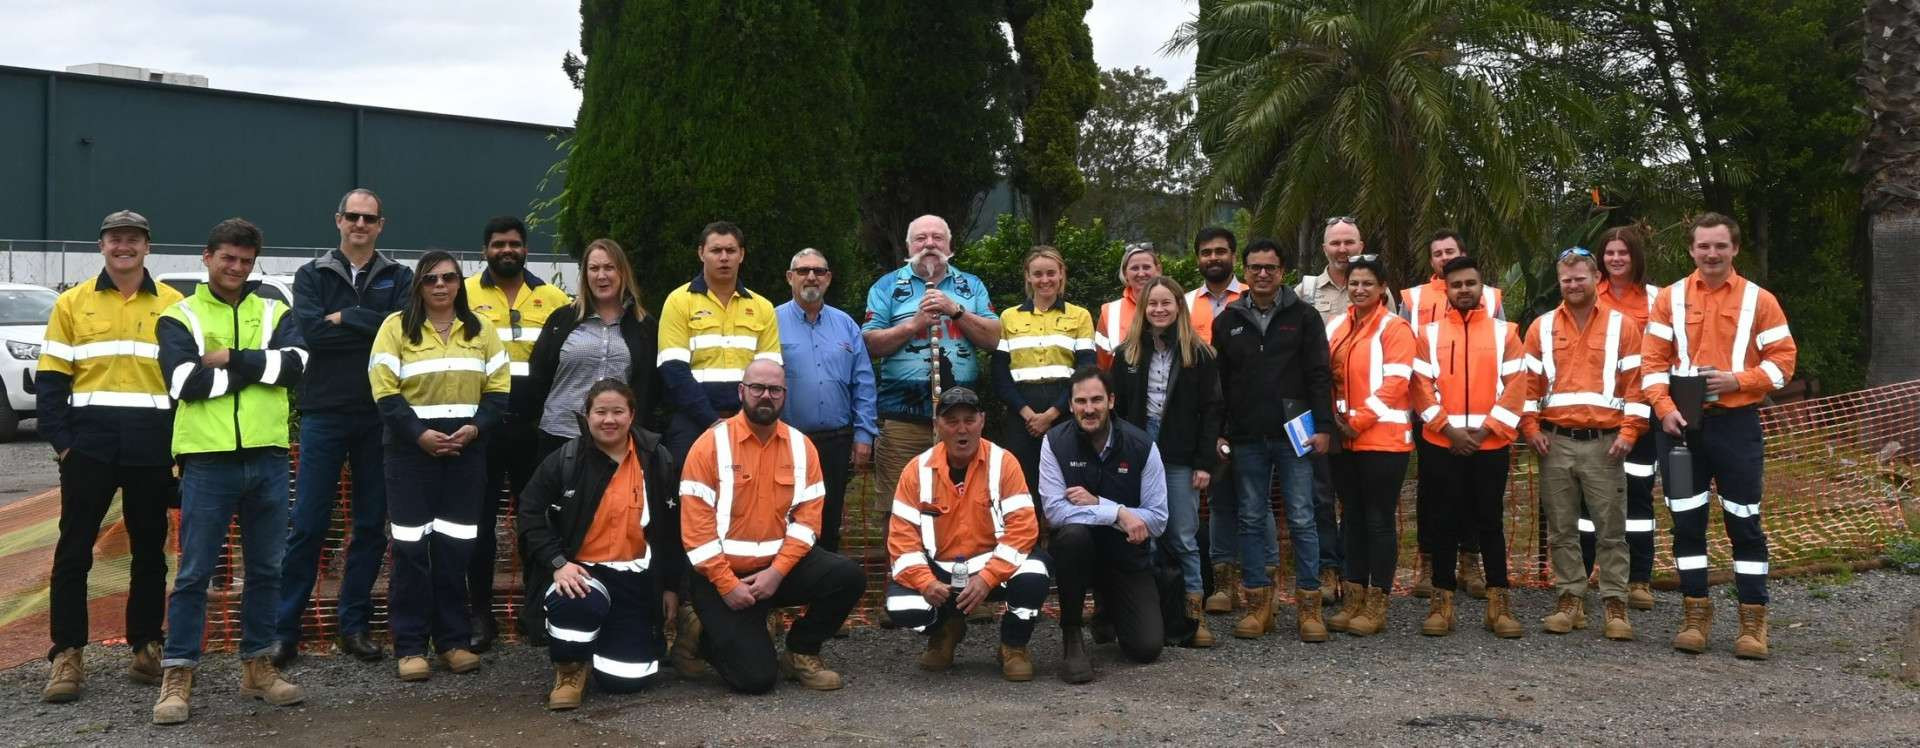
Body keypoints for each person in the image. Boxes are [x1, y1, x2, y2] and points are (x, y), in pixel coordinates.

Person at [149, 219, 308, 725]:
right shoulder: (180, 316)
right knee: (194, 573)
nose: (236, 268)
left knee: (267, 570)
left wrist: (230, 359)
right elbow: (183, 383)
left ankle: (257, 668)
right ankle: (178, 675)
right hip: (208, 460)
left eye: (244, 260)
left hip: (267, 455)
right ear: (207, 257)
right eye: (227, 258)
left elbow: (297, 366)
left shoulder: (275, 310)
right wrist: (257, 369)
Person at [36, 210, 185, 703]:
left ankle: (145, 646)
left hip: (150, 448)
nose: (124, 246)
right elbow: (53, 380)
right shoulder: (72, 303)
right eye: (115, 239)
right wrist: (64, 444)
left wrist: (178, 450)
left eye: (134, 239)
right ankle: (67, 655)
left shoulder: (174, 304)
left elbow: (184, 384)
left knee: (149, 552)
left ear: (147, 246)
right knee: (73, 552)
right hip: (90, 449)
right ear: (101, 246)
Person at [1641, 212, 1796, 659]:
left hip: (1736, 425)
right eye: (1704, 246)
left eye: (1720, 246)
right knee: (1686, 523)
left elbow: (1783, 363)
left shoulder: (1759, 300)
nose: (1711, 253)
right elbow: (1651, 365)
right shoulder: (1669, 299)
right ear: (1691, 250)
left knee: (1744, 522)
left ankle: (1753, 621)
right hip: (1679, 427)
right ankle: (1695, 614)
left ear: (1735, 249)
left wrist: (1739, 381)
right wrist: (1666, 412)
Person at [276, 188, 413, 666]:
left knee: (371, 525)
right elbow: (312, 334)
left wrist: (348, 316)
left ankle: (353, 626)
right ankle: (284, 631)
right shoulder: (312, 275)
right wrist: (366, 325)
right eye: (352, 216)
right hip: (323, 414)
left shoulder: (400, 276)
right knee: (309, 523)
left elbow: (401, 331)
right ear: (338, 221)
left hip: (378, 414)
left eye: (368, 218)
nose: (360, 224)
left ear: (381, 225)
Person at [678, 360, 866, 693]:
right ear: (741, 391)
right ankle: (700, 630)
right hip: (722, 579)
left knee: (847, 576)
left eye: (775, 390)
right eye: (757, 388)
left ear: (784, 395)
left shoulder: (801, 446)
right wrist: (726, 585)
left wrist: (777, 573)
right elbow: (696, 532)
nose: (766, 396)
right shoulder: (709, 445)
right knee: (756, 680)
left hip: (776, 573)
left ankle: (800, 652)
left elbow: (807, 524)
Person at [368, 251, 510, 681]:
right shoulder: (395, 329)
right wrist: (419, 435)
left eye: (449, 278)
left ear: (459, 284)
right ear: (419, 286)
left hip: (466, 453)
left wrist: (474, 430)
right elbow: (385, 392)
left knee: (455, 550)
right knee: (411, 551)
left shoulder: (481, 330)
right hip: (411, 454)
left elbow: (499, 392)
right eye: (431, 280)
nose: (441, 286)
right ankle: (410, 646)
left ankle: (453, 641)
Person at [524, 238, 661, 642]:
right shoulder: (562, 319)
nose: (602, 275)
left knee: (610, 527)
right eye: (593, 268)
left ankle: (616, 611)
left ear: (623, 274)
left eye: (610, 268)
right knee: (551, 525)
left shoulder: (644, 325)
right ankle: (541, 618)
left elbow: (649, 386)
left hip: (616, 445)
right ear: (584, 275)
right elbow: (538, 377)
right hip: (559, 439)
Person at [517, 380, 683, 710]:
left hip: (633, 575)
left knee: (627, 681)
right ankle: (570, 668)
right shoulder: (564, 459)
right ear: (587, 416)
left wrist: (670, 588)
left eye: (618, 411)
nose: (609, 420)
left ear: (632, 415)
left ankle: (605, 643)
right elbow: (529, 510)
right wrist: (557, 563)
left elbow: (671, 531)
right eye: (601, 412)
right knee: (576, 604)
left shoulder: (657, 460)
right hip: (579, 573)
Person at [1518, 248, 1645, 643]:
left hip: (1605, 443)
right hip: (1554, 442)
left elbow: (1636, 384)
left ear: (1596, 279)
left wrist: (1629, 433)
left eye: (1580, 278)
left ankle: (1614, 603)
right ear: (1560, 282)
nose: (1573, 285)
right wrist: (1529, 426)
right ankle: (1570, 598)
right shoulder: (1541, 327)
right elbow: (1528, 384)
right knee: (1561, 527)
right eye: (1566, 279)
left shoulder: (1622, 327)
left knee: (1611, 528)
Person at [884, 387, 1051, 681]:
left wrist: (988, 578)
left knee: (1035, 572)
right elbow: (902, 541)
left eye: (969, 420)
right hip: (940, 572)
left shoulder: (1004, 463)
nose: (962, 429)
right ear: (937, 426)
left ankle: (1013, 646)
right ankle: (946, 629)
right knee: (902, 605)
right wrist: (924, 583)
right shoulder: (915, 471)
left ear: (982, 421)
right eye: (952, 421)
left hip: (992, 569)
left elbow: (1023, 529)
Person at [1210, 238, 1331, 640]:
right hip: (1246, 437)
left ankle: (1309, 606)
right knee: (1249, 517)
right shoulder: (1227, 320)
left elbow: (1318, 374)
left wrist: (1324, 428)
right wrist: (1220, 432)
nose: (1263, 274)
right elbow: (1220, 385)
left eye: (1271, 268)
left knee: (1301, 516)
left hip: (1294, 435)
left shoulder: (1305, 316)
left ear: (1283, 272)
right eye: (1255, 267)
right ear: (1244, 271)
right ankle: (1258, 605)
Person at [463, 215, 573, 652]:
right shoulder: (465, 293)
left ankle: (538, 613)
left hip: (535, 429)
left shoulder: (553, 298)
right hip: (483, 428)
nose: (505, 250)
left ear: (526, 249)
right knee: (479, 527)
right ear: (485, 250)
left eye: (514, 243)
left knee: (537, 523)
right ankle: (479, 617)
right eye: (497, 244)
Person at [1408, 256, 1528, 639]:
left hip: (1488, 444)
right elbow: (1420, 389)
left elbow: (1516, 388)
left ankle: (1499, 605)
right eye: (1456, 284)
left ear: (1482, 287)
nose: (1464, 290)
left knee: (1489, 522)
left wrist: (1484, 431)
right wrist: (1448, 430)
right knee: (1442, 521)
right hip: (1443, 443)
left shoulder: (1505, 333)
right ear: (1445, 288)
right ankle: (1441, 603)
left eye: (1470, 283)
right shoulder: (1427, 335)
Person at [863, 215, 1001, 544]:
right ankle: (903, 580)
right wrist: (913, 325)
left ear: (950, 246)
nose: (929, 245)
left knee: (963, 499)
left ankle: (957, 574)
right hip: (903, 418)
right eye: (920, 238)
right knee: (898, 505)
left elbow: (995, 338)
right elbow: (869, 342)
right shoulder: (886, 287)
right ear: (908, 247)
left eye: (937, 238)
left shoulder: (972, 286)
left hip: (961, 419)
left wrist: (957, 311)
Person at [1109, 276, 1222, 647]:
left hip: (1180, 454)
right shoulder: (1126, 353)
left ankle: (1194, 615)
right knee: (1143, 536)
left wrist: (1204, 463)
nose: (1159, 309)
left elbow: (1212, 411)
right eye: (1152, 304)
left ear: (1178, 307)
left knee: (1183, 536)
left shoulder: (1199, 354)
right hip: (1138, 453)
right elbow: (1118, 411)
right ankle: (1152, 613)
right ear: (1143, 309)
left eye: (1166, 303)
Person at [1041, 367, 1167, 682]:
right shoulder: (1054, 442)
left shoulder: (1142, 445)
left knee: (1146, 649)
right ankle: (1072, 634)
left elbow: (1159, 518)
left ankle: (1107, 608)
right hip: (1078, 553)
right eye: (1080, 401)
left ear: (1111, 401)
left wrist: (1106, 505)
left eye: (1097, 400)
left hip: (1125, 558)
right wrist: (1119, 516)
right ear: (1070, 405)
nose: (1089, 408)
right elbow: (1055, 512)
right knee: (1071, 535)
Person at [1402, 231, 1502, 599]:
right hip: (1432, 418)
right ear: (1433, 264)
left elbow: (1502, 356)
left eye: (1450, 251)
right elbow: (1409, 360)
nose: (1444, 257)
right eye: (1437, 253)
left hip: (1482, 425)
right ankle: (1429, 563)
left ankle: (1470, 560)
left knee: (1480, 499)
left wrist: (1485, 426)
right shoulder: (1413, 298)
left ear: (1463, 253)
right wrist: (1436, 418)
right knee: (1434, 495)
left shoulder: (1490, 297)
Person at [1319, 256, 1415, 638]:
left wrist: (1355, 422)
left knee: (1378, 520)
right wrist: (1333, 422)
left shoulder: (1395, 329)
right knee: (1352, 519)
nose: (1359, 289)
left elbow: (1396, 384)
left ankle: (1377, 602)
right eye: (1354, 283)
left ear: (1382, 289)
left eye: (1367, 284)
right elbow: (1324, 378)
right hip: (1345, 442)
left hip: (1384, 442)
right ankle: (1353, 597)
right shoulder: (1337, 326)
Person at [1294, 218, 1384, 605]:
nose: (1343, 249)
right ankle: (1329, 570)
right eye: (1336, 243)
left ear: (1361, 243)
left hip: (1366, 418)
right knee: (1320, 497)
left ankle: (1355, 575)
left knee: (1359, 499)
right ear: (1324, 248)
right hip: (1320, 411)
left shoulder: (1381, 290)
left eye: (1349, 242)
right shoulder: (1307, 290)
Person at [775, 248, 878, 553]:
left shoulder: (846, 325)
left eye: (819, 271)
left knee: (829, 516)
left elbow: (864, 382)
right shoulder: (770, 322)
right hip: (786, 441)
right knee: (784, 516)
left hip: (836, 441)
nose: (811, 277)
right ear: (789, 278)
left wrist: (864, 435)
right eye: (804, 270)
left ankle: (825, 587)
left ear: (828, 278)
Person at [656, 221, 782, 462]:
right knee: (690, 494)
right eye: (716, 250)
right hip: (692, 422)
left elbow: (770, 374)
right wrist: (711, 420)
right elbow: (673, 370)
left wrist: (742, 421)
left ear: (741, 255)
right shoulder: (679, 301)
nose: (724, 257)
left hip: (749, 422)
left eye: (731, 250)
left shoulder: (762, 307)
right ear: (701, 253)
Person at [1588, 226, 1662, 611]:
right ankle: (1584, 577)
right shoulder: (1587, 296)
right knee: (1588, 500)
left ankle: (1639, 579)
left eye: (1623, 253)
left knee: (1637, 496)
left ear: (1635, 257)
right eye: (1610, 253)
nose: (1616, 259)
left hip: (1642, 409)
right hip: (1597, 410)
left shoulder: (1657, 299)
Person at [991, 246, 1095, 499]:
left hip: (1065, 407)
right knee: (1023, 483)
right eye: (1037, 274)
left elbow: (1085, 369)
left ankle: (1065, 538)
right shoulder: (1008, 317)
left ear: (1061, 274)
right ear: (1028, 276)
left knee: (1069, 479)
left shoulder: (1080, 316)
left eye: (1051, 273)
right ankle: (1029, 538)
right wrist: (1028, 415)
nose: (1045, 280)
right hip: (1021, 410)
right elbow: (1000, 374)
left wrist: (1051, 414)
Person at [1093, 243, 1162, 369]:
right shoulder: (1110, 311)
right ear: (1125, 274)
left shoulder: (1177, 306)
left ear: (1158, 270)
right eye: (1135, 268)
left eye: (1146, 267)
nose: (1141, 273)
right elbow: (1101, 364)